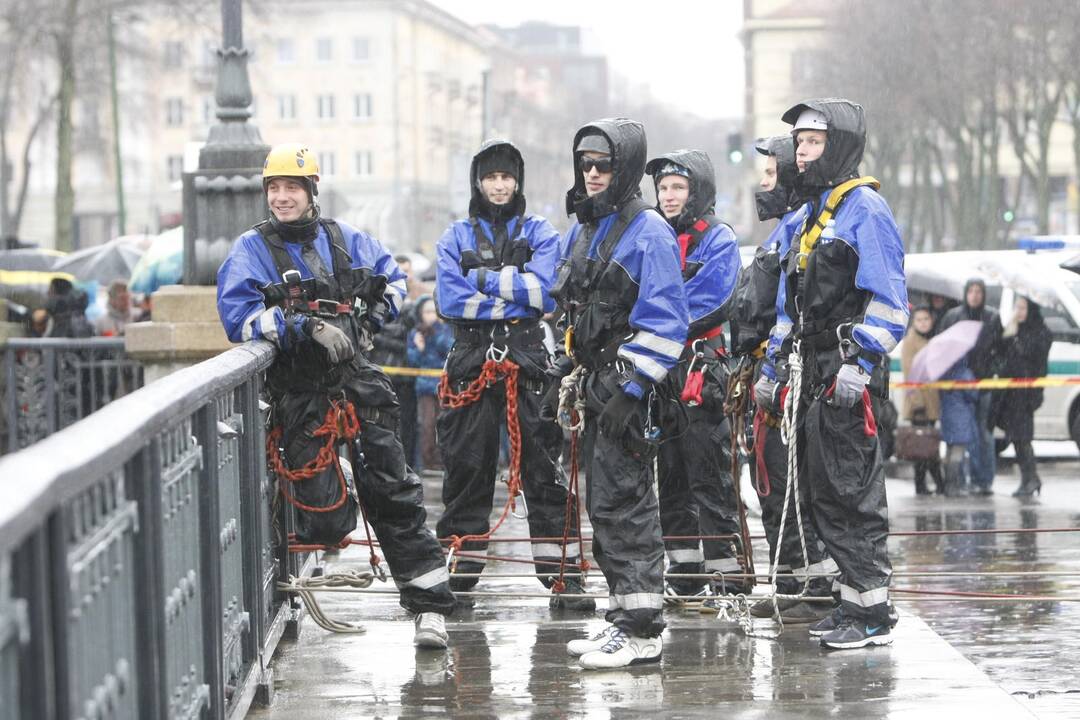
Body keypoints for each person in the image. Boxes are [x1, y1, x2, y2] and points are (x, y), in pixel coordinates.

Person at [216, 143, 455, 649]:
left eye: (292, 188)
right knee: (322, 519)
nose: (282, 198)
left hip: (358, 383)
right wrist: (300, 325)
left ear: (310, 192)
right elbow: (239, 320)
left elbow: (394, 278)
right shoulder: (250, 250)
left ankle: (429, 606)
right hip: (300, 396)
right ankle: (336, 490)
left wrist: (369, 318)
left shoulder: (344, 239)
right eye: (275, 189)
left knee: (394, 489)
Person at [757, 99, 908, 650]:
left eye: (814, 142)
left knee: (850, 490)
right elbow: (784, 308)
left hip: (845, 373)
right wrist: (772, 367)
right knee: (819, 490)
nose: (802, 151)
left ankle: (873, 613)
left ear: (839, 145)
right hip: (809, 370)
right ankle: (852, 605)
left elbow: (891, 300)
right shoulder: (805, 216)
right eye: (798, 142)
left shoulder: (865, 210)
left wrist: (861, 363)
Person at [550, 119, 688, 669]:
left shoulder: (648, 231)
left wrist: (632, 390)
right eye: (585, 164)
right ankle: (621, 616)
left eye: (602, 165)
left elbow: (667, 320)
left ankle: (642, 630)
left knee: (627, 506)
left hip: (627, 392)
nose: (591, 173)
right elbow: (570, 306)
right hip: (594, 384)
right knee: (604, 506)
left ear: (624, 168)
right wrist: (565, 361)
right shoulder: (585, 229)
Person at [433, 140, 590, 610]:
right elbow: (449, 300)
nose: (499, 186)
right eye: (491, 177)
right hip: (471, 355)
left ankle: (561, 573)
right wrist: (515, 292)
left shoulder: (541, 232)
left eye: (506, 177)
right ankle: (460, 571)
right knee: (467, 464)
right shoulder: (454, 236)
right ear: (478, 182)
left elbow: (547, 294)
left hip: (526, 353)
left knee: (544, 463)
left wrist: (480, 279)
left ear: (517, 181)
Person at [732, 135, 836, 624]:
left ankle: (812, 581)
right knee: (770, 482)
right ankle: (790, 577)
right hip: (763, 374)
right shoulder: (782, 232)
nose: (764, 182)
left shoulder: (800, 231)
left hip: (786, 376)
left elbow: (786, 309)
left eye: (772, 173)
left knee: (789, 479)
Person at [643, 149, 745, 605]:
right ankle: (684, 574)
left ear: (696, 191)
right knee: (672, 476)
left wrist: (655, 318)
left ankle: (727, 577)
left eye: (677, 188)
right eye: (663, 188)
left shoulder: (718, 239)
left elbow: (710, 301)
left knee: (709, 474)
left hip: (699, 370)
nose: (668, 196)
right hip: (662, 371)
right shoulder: (653, 236)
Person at [938, 278, 1002, 495]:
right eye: (971, 290)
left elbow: (999, 349)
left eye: (979, 291)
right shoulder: (953, 317)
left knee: (983, 434)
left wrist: (990, 370)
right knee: (961, 437)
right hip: (958, 387)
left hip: (982, 385)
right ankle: (959, 482)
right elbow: (942, 349)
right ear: (966, 293)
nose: (975, 295)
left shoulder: (992, 317)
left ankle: (983, 480)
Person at [994, 296, 1052, 497]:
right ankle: (1028, 479)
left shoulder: (1040, 331)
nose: (1018, 311)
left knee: (1023, 437)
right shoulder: (1016, 328)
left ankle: (1031, 478)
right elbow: (1003, 352)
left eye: (1022, 307)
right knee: (1017, 437)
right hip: (1012, 394)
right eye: (1016, 307)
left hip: (1027, 394)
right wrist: (1010, 333)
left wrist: (1016, 338)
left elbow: (1031, 356)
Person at [371, 255, 418, 467]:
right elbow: (375, 333)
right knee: (384, 422)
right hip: (385, 373)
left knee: (408, 423)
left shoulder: (415, 303)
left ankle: (407, 464)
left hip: (407, 376)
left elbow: (413, 338)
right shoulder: (381, 300)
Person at [900, 306, 943, 495]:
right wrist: (917, 403)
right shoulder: (910, 342)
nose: (923, 323)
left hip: (932, 402)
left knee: (927, 445)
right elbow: (910, 374)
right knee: (923, 447)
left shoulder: (932, 340)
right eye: (919, 320)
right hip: (920, 403)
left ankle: (929, 484)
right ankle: (934, 484)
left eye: (926, 319)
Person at [407, 295, 451, 473]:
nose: (430, 315)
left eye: (433, 311)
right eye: (426, 312)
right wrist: (420, 347)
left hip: (443, 385)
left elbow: (449, 351)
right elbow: (412, 360)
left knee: (444, 423)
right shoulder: (415, 333)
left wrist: (437, 334)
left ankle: (441, 461)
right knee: (426, 425)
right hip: (424, 386)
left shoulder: (445, 330)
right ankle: (426, 462)